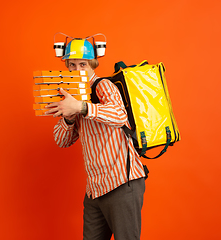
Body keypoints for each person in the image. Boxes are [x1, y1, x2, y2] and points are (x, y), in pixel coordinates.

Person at [45, 38, 146, 240]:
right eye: (72, 65)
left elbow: (119, 115)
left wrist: (82, 107)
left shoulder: (103, 86)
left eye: (83, 64)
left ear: (92, 64)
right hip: (94, 190)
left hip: (121, 183)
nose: (77, 69)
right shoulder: (72, 95)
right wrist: (69, 116)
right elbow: (61, 141)